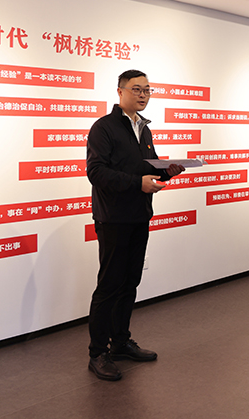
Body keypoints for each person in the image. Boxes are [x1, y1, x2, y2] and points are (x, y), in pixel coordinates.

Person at [85, 69, 185, 381]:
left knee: (130, 283)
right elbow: (96, 172)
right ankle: (97, 353)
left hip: (140, 215)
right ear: (120, 92)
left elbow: (144, 168)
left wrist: (166, 172)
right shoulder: (103, 128)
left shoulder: (144, 128)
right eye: (136, 89)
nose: (143, 95)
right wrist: (137, 184)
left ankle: (120, 342)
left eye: (147, 90)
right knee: (109, 286)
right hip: (113, 218)